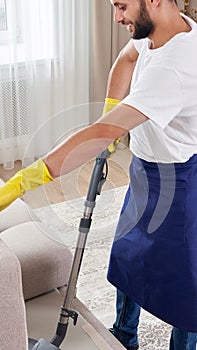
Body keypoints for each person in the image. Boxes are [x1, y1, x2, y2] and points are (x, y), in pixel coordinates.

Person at [0, 0, 197, 349]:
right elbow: (127, 60)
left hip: (180, 184)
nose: (117, 17)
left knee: (186, 286)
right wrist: (113, 113)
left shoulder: (175, 68)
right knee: (128, 257)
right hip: (145, 170)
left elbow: (96, 136)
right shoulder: (162, 31)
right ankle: (124, 335)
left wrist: (21, 183)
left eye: (121, 6)